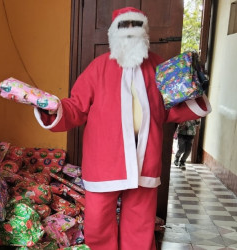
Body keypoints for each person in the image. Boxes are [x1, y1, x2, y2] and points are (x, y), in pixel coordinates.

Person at [33, 7, 212, 250]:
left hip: (144, 158)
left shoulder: (159, 66)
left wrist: (193, 93)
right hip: (104, 160)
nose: (130, 34)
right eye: (124, 28)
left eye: (136, 28)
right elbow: (76, 107)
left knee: (140, 223)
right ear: (113, 34)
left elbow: (169, 109)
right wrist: (53, 109)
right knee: (98, 222)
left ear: (145, 33)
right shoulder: (98, 68)